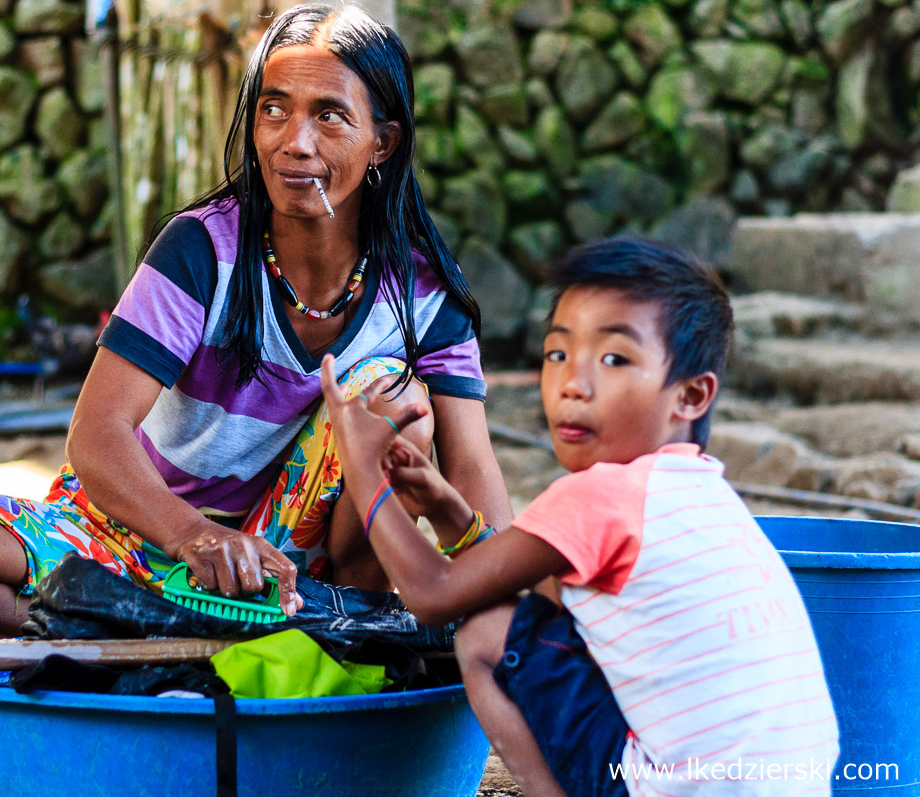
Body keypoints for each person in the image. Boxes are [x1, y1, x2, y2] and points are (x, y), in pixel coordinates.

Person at [0, 2, 512, 641]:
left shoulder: (423, 289)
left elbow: (473, 469)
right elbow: (96, 436)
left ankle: (334, 621)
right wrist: (192, 536)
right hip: (135, 534)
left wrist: (513, 607)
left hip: (285, 569)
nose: (295, 140)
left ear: (384, 142)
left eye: (330, 115)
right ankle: (159, 637)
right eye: (273, 109)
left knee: (397, 405)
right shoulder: (202, 250)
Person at [319, 236, 839, 796]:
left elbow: (435, 594)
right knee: (547, 606)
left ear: (690, 396)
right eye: (557, 354)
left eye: (614, 358)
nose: (572, 384)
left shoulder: (601, 496)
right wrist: (447, 508)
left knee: (486, 634)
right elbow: (521, 575)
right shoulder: (701, 491)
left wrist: (362, 464)